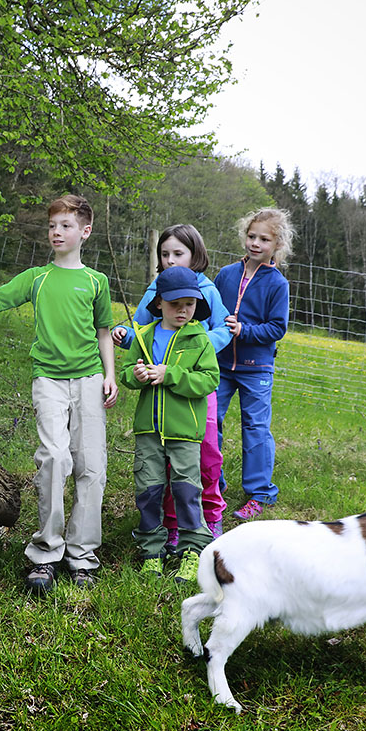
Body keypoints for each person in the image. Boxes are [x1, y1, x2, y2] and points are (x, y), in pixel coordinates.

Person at [0, 195, 117, 594]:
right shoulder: (36, 278)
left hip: (89, 379)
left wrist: (110, 375)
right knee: (54, 459)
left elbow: (104, 332)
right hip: (49, 382)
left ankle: (83, 556)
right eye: (53, 225)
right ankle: (46, 553)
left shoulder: (96, 282)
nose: (57, 231)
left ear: (85, 232)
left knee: (91, 466)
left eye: (66, 225)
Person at [112, 224, 231, 546]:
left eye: (178, 253)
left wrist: (201, 343)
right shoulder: (156, 289)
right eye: (165, 254)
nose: (171, 260)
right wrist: (124, 338)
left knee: (204, 456)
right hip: (155, 403)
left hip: (195, 392)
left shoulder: (207, 290)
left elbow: (222, 329)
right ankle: (170, 525)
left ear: (196, 254)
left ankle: (210, 516)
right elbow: (141, 330)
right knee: (160, 465)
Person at [119, 266, 220, 582]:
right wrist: (135, 376)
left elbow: (209, 379)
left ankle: (193, 550)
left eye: (190, 304)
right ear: (159, 303)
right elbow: (126, 373)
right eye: (176, 304)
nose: (183, 310)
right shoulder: (145, 336)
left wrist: (170, 375)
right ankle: (152, 551)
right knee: (148, 490)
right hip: (149, 429)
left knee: (186, 490)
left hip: (184, 432)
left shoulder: (198, 338)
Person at [213, 208, 293, 520]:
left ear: (277, 245)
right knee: (210, 422)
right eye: (251, 236)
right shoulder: (226, 275)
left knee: (255, 428)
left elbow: (277, 328)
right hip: (219, 366)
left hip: (256, 368)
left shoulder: (277, 284)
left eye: (264, 239)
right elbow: (210, 311)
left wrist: (244, 330)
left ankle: (259, 493)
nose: (255, 243)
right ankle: (212, 483)